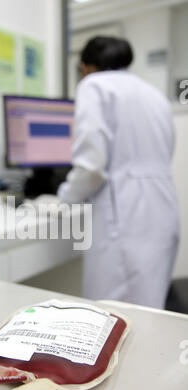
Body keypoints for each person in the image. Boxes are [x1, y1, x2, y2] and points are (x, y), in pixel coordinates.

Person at [58, 36, 180, 309]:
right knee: (150, 307)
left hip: (124, 213)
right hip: (162, 210)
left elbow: (91, 167)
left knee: (110, 313)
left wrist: (63, 198)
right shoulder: (153, 93)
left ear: (86, 67)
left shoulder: (94, 85)